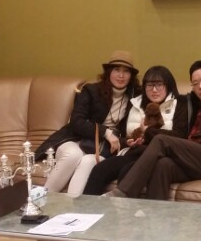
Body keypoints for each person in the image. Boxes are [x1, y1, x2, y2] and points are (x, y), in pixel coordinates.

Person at [104, 60, 201, 200]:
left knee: (162, 140)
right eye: (195, 83)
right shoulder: (193, 103)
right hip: (199, 160)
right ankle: (155, 218)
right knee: (163, 164)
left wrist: (182, 144)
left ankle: (123, 193)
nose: (200, 86)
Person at [72, 65, 188, 195]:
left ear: (169, 85)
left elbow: (180, 135)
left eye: (159, 85)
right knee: (100, 169)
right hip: (134, 152)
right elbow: (121, 132)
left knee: (126, 171)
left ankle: (123, 208)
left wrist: (148, 131)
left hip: (160, 156)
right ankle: (86, 207)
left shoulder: (180, 103)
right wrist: (127, 141)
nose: (154, 90)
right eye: (149, 85)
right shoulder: (135, 103)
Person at [35, 51, 139, 193]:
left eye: (126, 71)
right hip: (74, 140)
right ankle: (44, 200)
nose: (121, 75)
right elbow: (77, 122)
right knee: (73, 155)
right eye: (116, 70)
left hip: (102, 148)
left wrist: (126, 141)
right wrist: (106, 132)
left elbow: (129, 130)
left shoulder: (134, 97)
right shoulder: (91, 91)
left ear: (131, 76)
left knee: (88, 161)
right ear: (109, 72)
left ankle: (73, 206)